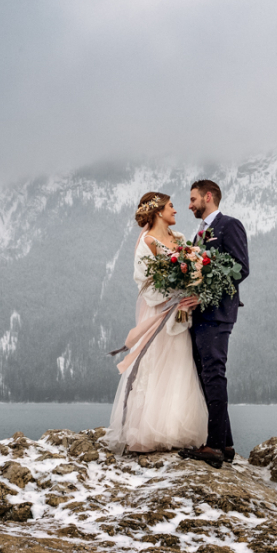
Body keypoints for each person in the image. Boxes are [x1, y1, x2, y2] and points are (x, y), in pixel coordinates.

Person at [104, 192, 209, 454]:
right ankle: (147, 432)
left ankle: (175, 430)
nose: (176, 210)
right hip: (159, 314)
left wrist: (190, 287)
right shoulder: (147, 241)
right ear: (159, 211)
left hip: (181, 314)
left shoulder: (181, 240)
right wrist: (173, 296)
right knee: (155, 365)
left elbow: (192, 268)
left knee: (179, 366)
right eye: (171, 206)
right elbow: (144, 281)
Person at [179, 179, 249, 468]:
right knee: (208, 376)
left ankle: (214, 447)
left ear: (209, 197)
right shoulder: (200, 233)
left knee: (214, 375)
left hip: (217, 313)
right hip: (201, 316)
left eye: (194, 199)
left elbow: (240, 268)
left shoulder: (229, 225)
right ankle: (227, 444)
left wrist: (203, 295)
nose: (190, 204)